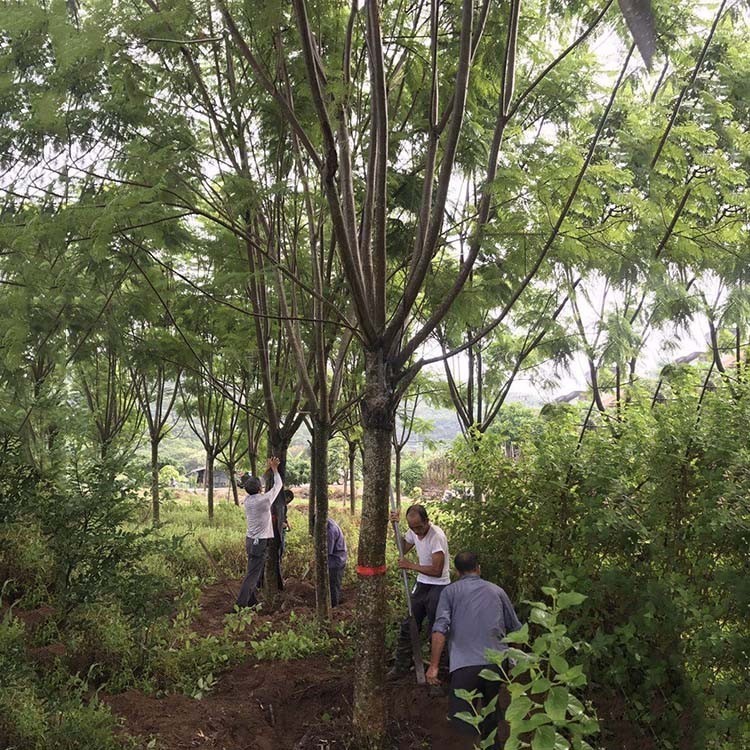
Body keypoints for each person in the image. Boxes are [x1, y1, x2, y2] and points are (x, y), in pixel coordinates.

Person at [427, 551, 522, 749]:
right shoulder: (497, 591)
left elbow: (440, 628)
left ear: (456, 571)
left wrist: (433, 666)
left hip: (464, 667)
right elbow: (517, 630)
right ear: (478, 568)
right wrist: (512, 663)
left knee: (462, 724)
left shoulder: (449, 592)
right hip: (495, 666)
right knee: (494, 721)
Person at [387, 503, 450, 679]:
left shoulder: (436, 537)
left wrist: (411, 566)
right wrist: (394, 526)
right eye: (412, 528)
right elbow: (403, 548)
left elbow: (437, 571)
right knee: (409, 623)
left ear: (427, 521)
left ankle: (440, 671)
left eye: (420, 527)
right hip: (422, 584)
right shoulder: (413, 532)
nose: (417, 532)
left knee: (436, 628)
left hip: (439, 587)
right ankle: (401, 666)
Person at [234, 457, 283, 608]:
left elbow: (254, 486)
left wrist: (267, 470)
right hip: (259, 542)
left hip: (250, 541)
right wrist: (274, 469)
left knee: (253, 571)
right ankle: (240, 605)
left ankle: (252, 601)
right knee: (252, 575)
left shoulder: (248, 500)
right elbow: (278, 485)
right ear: (260, 489)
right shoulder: (264, 500)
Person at [327, 517, 347, 607]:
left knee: (333, 586)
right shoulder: (330, 523)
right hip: (338, 559)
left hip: (335, 562)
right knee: (333, 585)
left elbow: (327, 551)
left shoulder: (329, 529)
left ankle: (334, 608)